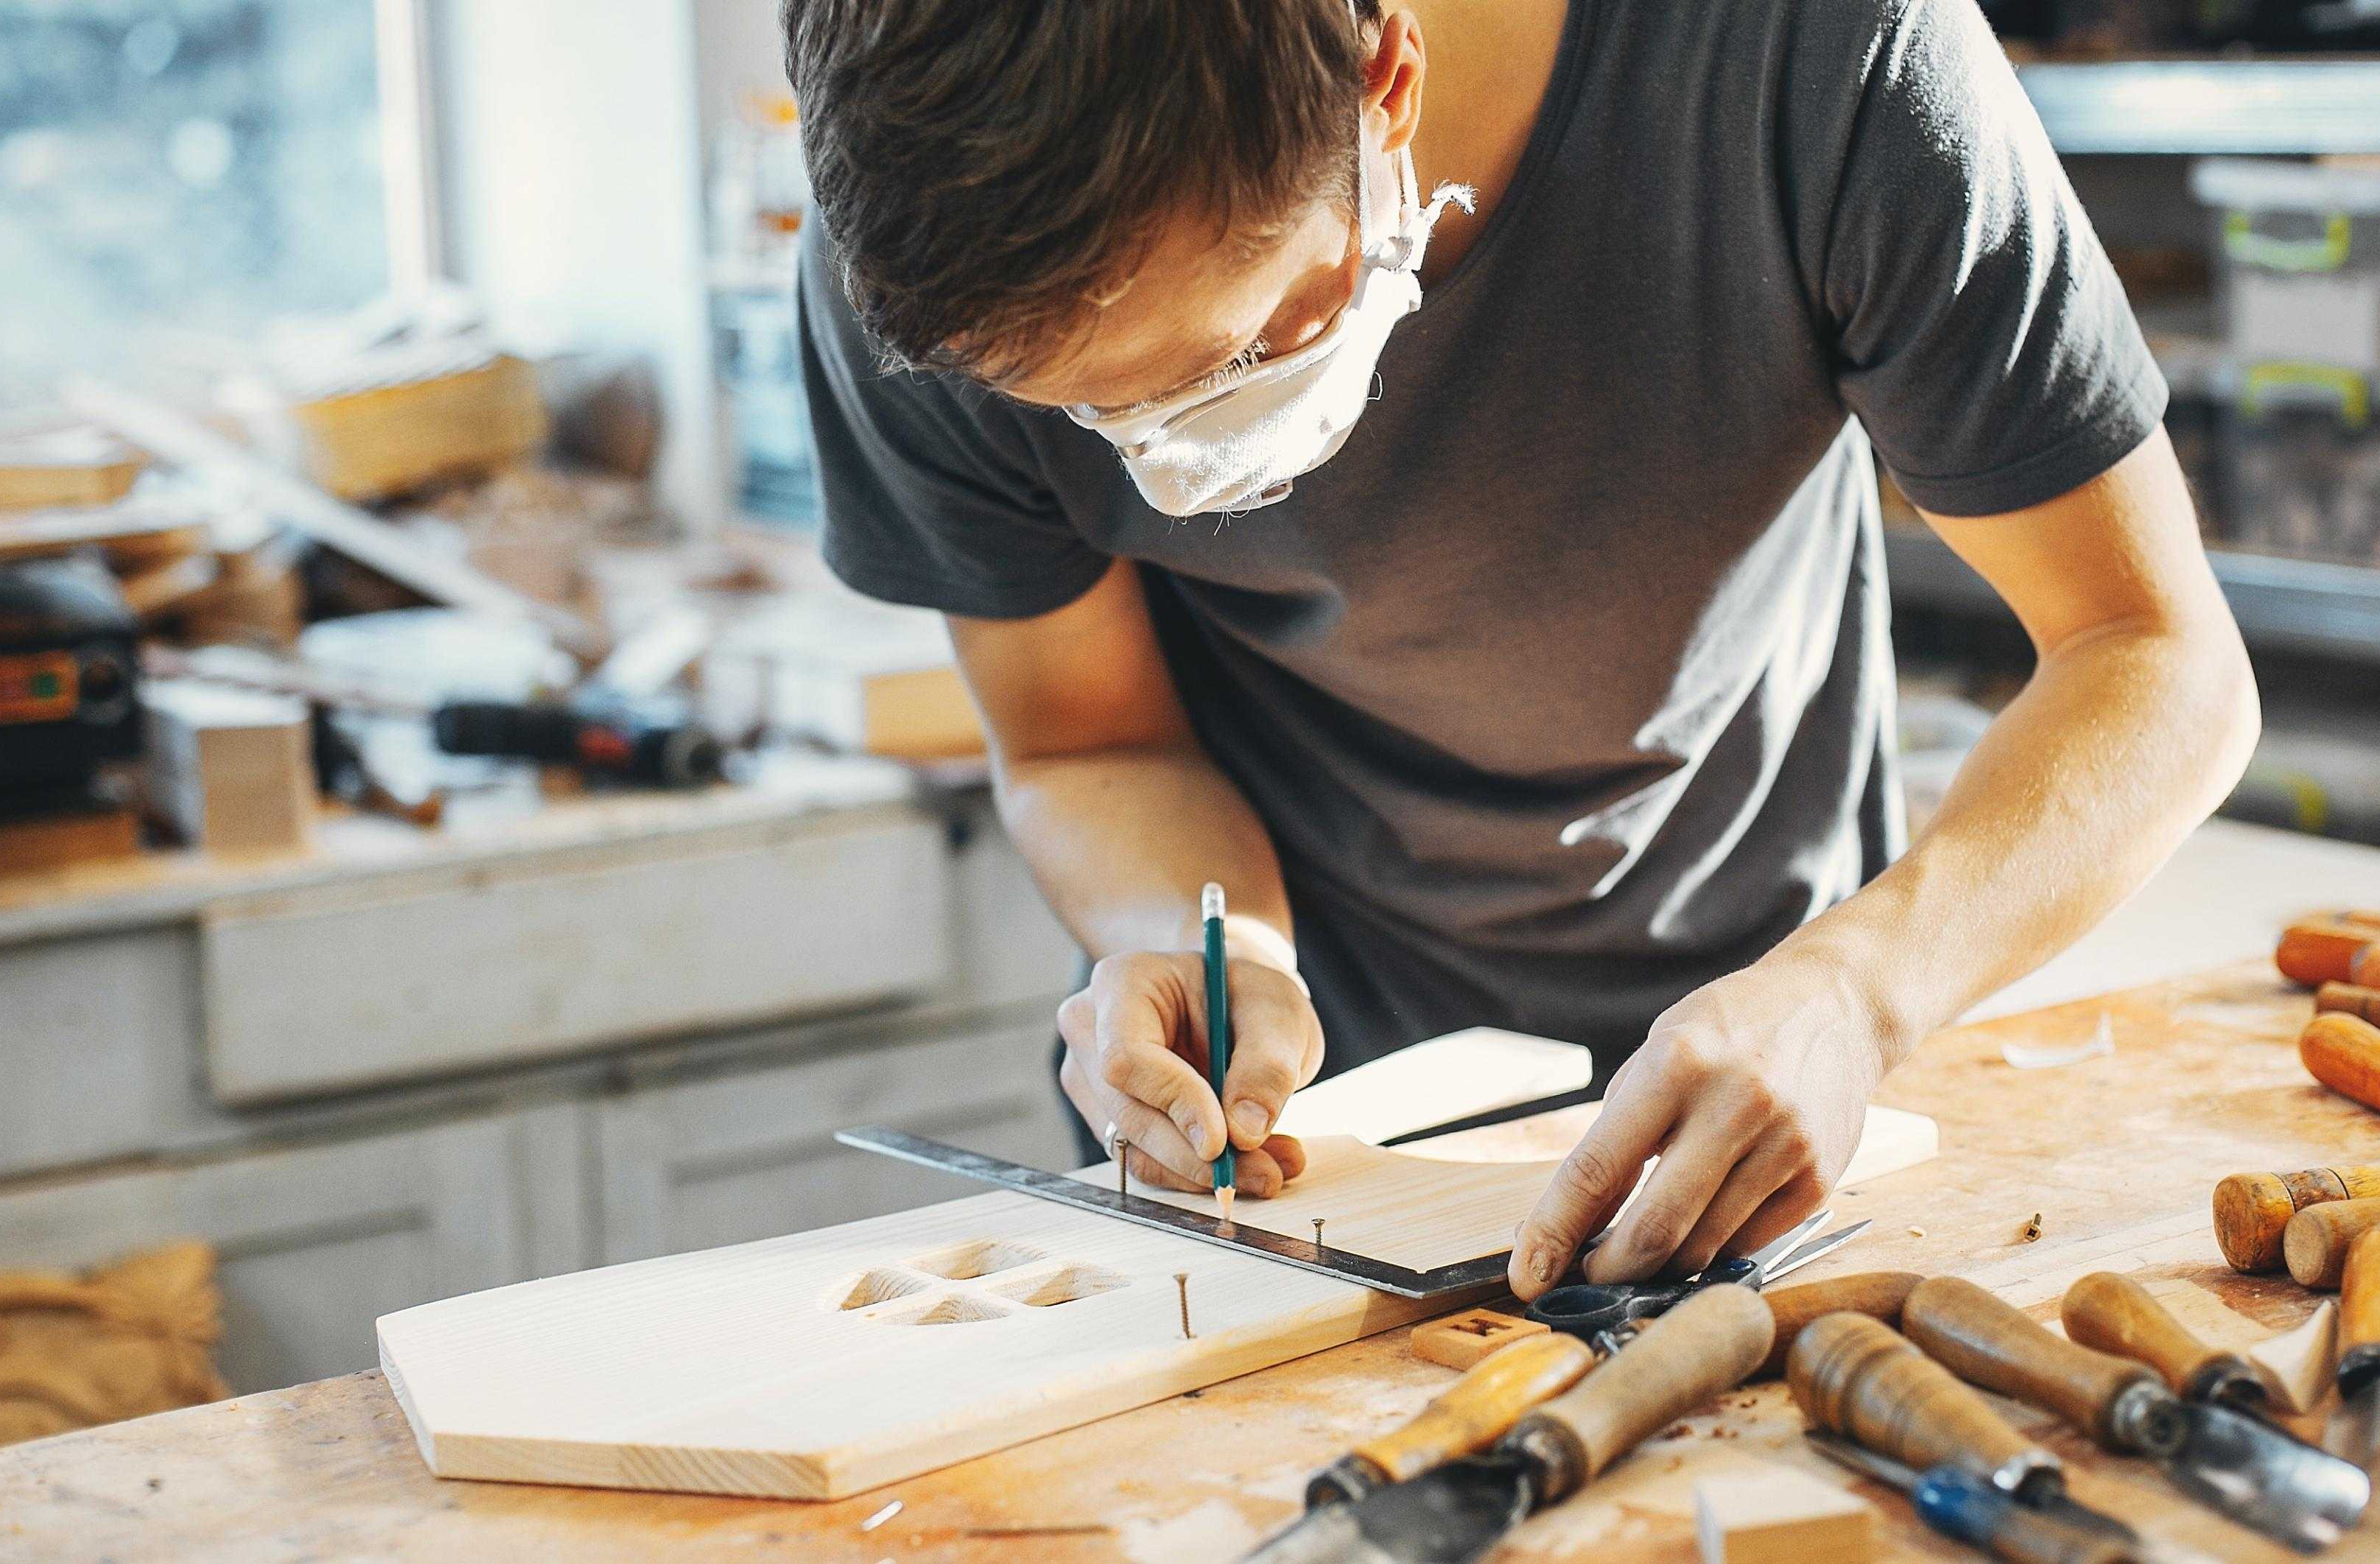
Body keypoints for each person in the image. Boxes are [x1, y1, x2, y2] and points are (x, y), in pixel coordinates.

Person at [783, 0, 2258, 1300]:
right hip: (1287, 1181)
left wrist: (1860, 993)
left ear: (1389, 87)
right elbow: (1086, 739)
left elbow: (2152, 653)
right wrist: (1189, 946)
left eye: (1236, 356)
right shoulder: (922, 272)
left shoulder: (1812, 53)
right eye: (1085, 413)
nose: (1172, 458)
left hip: (1769, 1092)